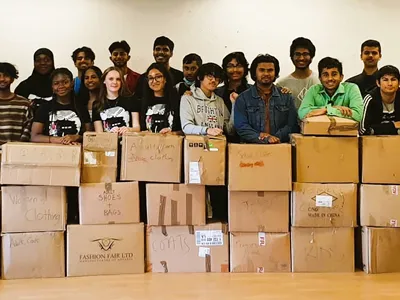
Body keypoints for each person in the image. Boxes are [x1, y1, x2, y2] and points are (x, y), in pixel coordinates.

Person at [234, 54, 298, 144]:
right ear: (254, 73)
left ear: (275, 73)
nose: (266, 74)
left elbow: (292, 125)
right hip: (250, 149)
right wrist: (263, 138)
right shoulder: (243, 98)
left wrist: (275, 138)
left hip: (280, 147)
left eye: (270, 70)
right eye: (262, 70)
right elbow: (241, 127)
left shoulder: (286, 97)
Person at [31, 68, 91, 144]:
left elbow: (90, 136)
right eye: (56, 83)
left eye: (65, 82)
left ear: (72, 83)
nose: (61, 86)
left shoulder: (81, 107)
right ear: (52, 87)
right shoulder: (44, 108)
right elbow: (34, 137)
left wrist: (77, 137)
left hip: (75, 152)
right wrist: (59, 140)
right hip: (50, 152)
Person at [298, 57, 364, 122]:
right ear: (320, 78)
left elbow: (358, 115)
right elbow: (302, 113)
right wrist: (330, 108)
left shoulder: (351, 89)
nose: (330, 79)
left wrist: (325, 110)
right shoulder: (314, 90)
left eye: (334, 74)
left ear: (341, 77)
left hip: (344, 132)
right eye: (325, 75)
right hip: (318, 131)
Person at [180, 63, 234, 136]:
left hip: (218, 143)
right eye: (210, 76)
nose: (214, 80)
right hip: (195, 144)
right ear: (199, 77)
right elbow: (186, 127)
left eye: (217, 78)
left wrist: (234, 104)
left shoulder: (219, 101)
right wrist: (207, 130)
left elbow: (229, 130)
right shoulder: (188, 98)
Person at [92, 67, 140, 135]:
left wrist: (129, 129)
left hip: (129, 142)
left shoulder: (131, 99)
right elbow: (99, 133)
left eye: (118, 79)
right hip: (108, 143)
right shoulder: (97, 104)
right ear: (104, 81)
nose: (114, 82)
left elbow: (137, 127)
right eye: (111, 79)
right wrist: (110, 133)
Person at [276, 37, 319, 109]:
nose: (301, 58)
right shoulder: (282, 84)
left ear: (311, 57)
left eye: (305, 54)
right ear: (291, 57)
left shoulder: (319, 81)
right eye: (297, 54)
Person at [139, 63, 181, 133]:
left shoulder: (177, 101)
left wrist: (172, 133)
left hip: (171, 142)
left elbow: (183, 131)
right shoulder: (142, 102)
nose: (154, 81)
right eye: (150, 78)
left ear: (165, 79)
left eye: (158, 77)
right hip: (148, 142)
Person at [360, 65, 400, 135]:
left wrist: (376, 129)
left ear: (399, 83)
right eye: (385, 80)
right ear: (378, 83)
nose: (390, 84)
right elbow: (363, 130)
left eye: (393, 79)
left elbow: (371, 130)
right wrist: (393, 126)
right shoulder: (369, 98)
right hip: (373, 143)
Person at [0, 63, 33, 145]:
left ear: (12, 78)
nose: (2, 79)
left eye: (6, 75)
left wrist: (17, 147)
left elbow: (28, 129)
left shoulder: (24, 103)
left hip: (15, 153)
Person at [14, 48, 55, 113]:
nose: (43, 63)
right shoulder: (24, 86)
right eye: (38, 60)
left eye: (47, 60)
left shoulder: (60, 85)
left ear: (52, 62)